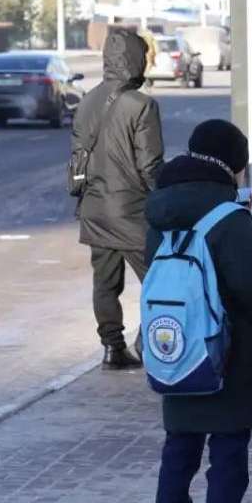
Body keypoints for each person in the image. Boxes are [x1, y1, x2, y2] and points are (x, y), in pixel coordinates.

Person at [145, 120, 252, 503]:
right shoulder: (228, 218)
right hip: (230, 358)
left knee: (179, 450)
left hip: (177, 352)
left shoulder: (159, 214)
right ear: (233, 165)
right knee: (227, 457)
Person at [73, 27, 164, 370]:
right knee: (159, 278)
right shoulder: (142, 105)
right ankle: (149, 343)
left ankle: (113, 349)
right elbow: (150, 165)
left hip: (95, 209)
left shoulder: (87, 101)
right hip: (131, 212)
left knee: (105, 282)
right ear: (135, 59)